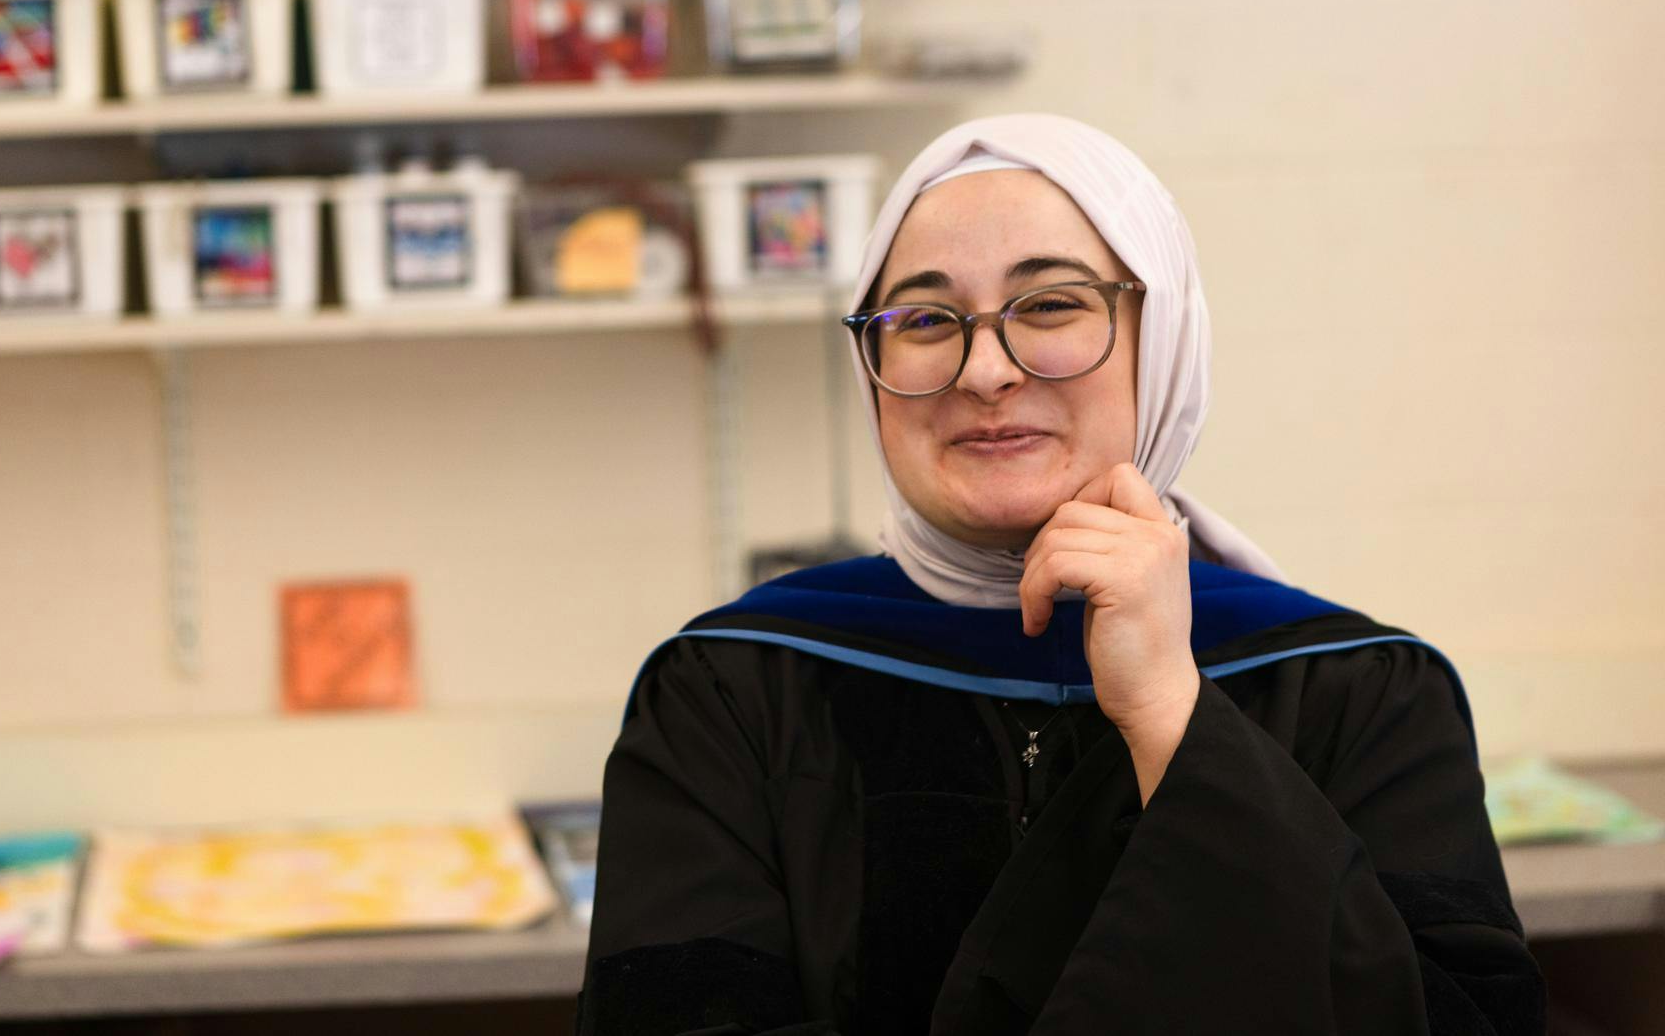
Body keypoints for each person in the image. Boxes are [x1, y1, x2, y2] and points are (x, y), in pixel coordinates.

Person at [577, 115, 1545, 1035]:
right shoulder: (730, 687)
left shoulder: (1357, 688)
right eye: (922, 317)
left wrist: (1171, 711)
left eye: (1048, 304)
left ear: (1160, 341)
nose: (984, 369)